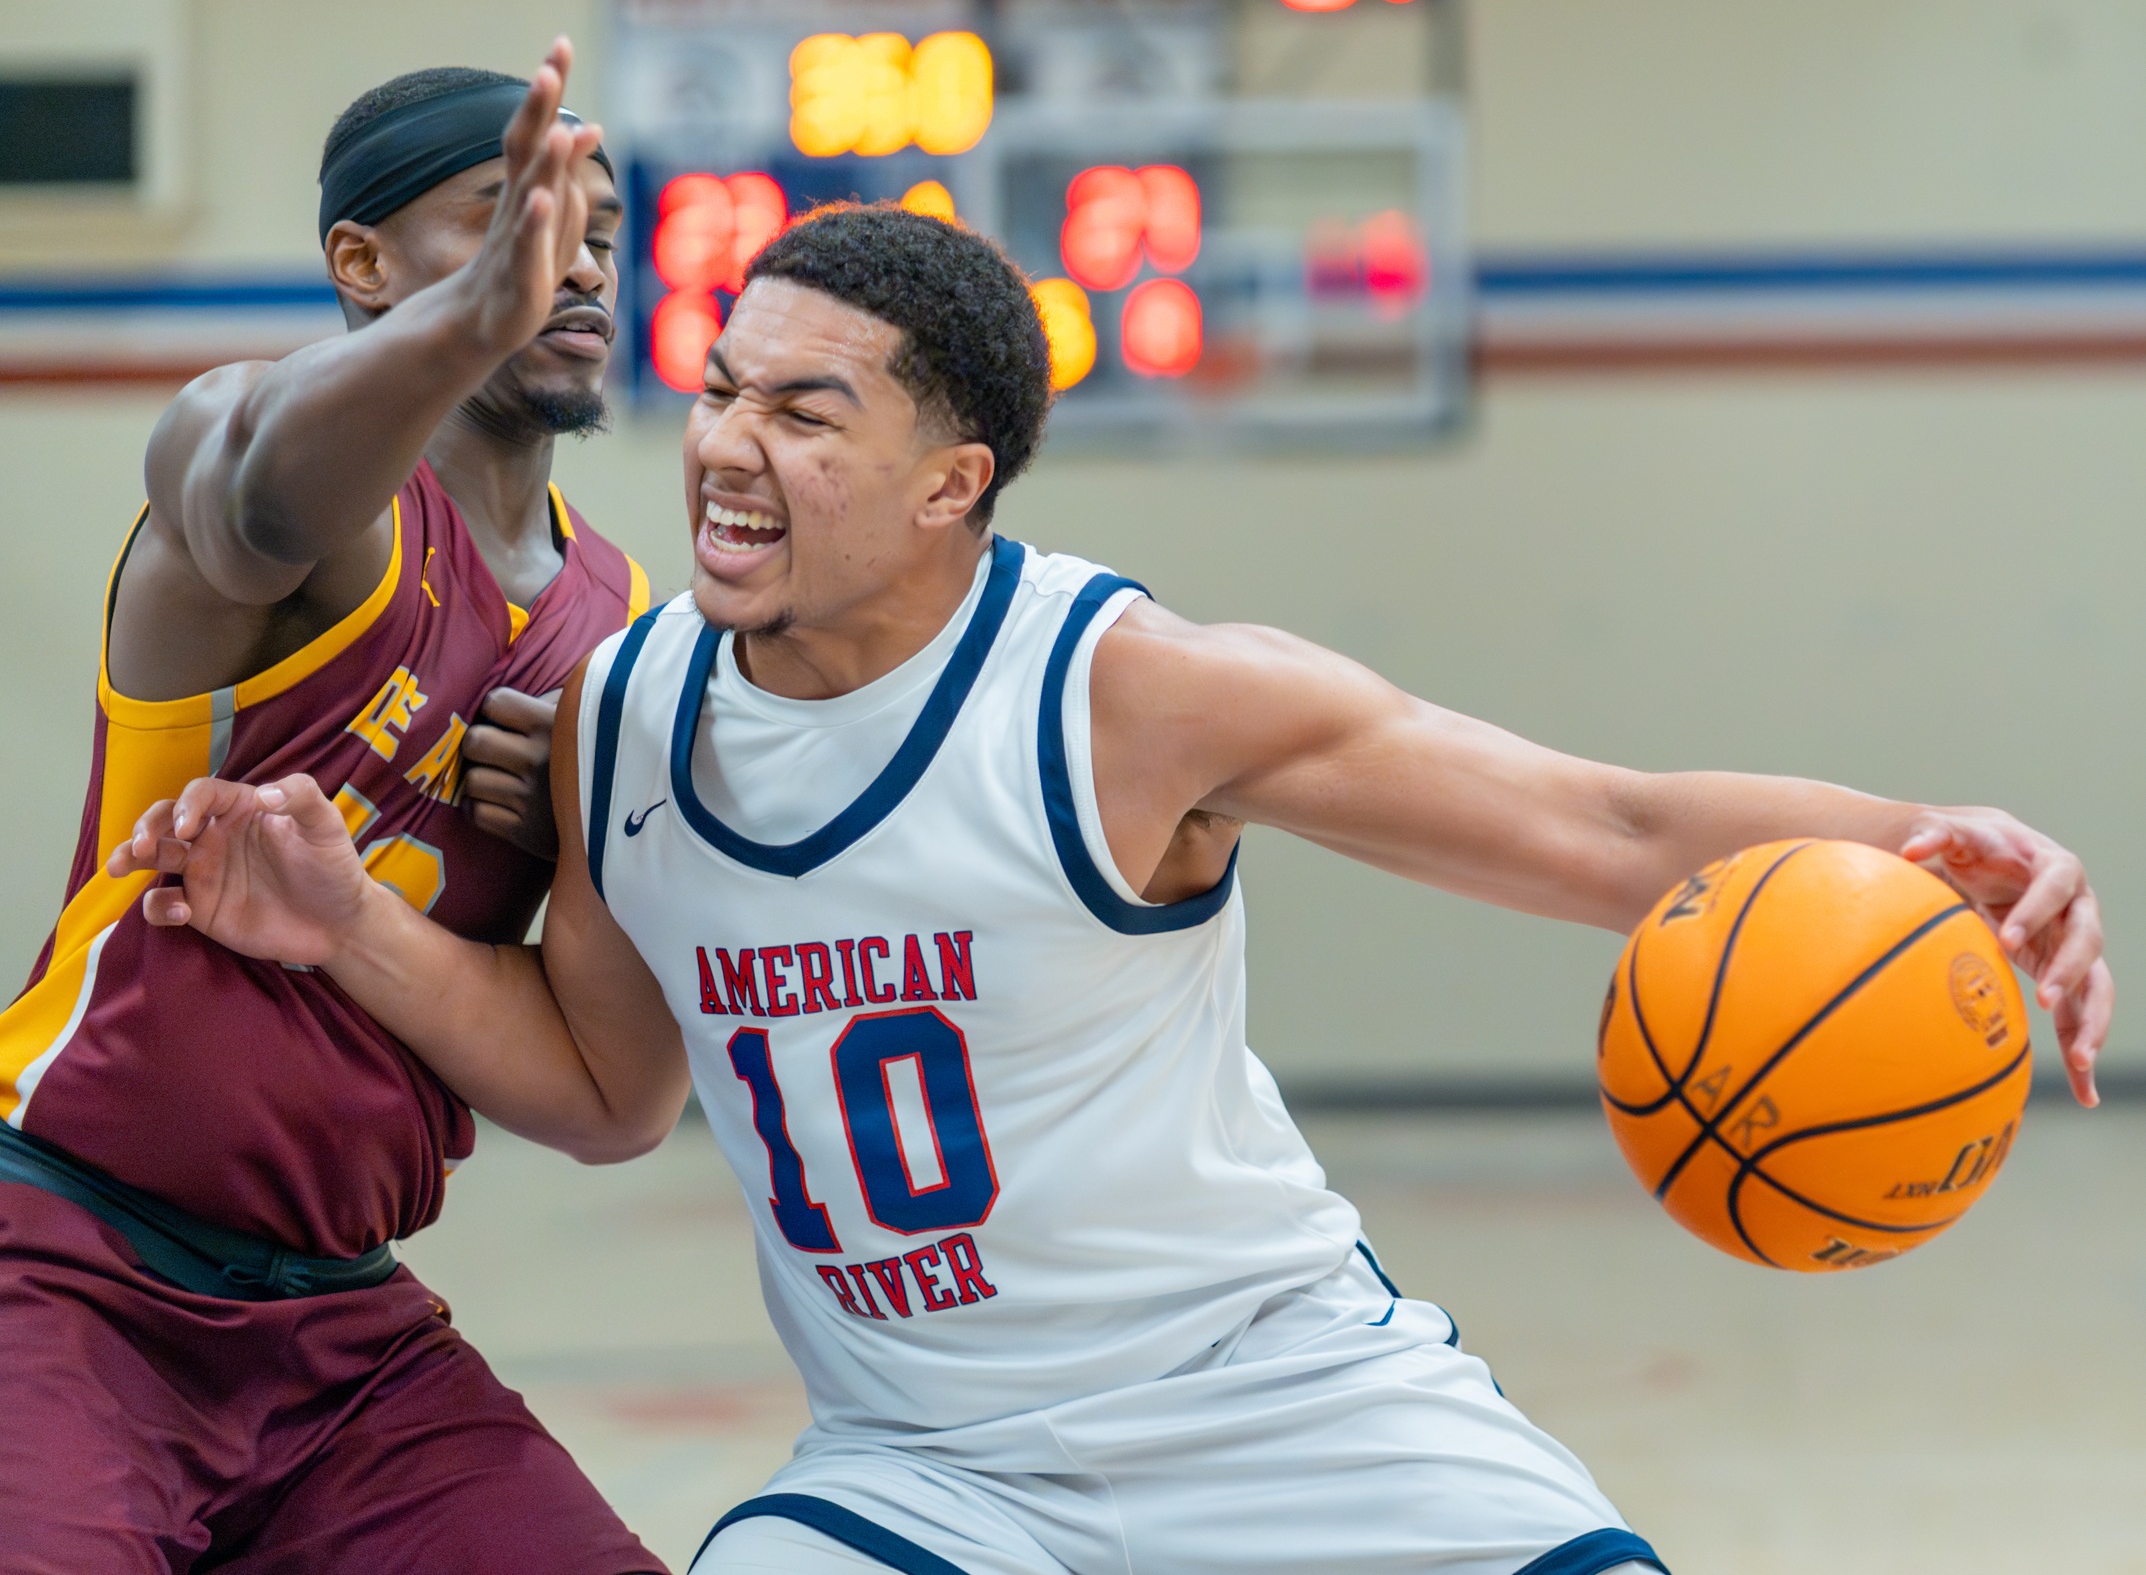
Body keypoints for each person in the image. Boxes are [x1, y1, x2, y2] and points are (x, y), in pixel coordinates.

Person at [115, 206, 2114, 1575]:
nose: (726, 444)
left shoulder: (1126, 696)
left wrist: (1925, 833)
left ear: (950, 481)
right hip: (924, 1473)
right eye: (723, 387)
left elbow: (1598, 828)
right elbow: (605, 1091)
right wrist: (349, 928)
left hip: (1280, 1403)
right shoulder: (628, 713)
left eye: (805, 411)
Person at [4, 41, 666, 1573]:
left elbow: (608, 1101)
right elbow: (251, 496)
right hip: (62, 1262)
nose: (576, 263)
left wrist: (579, 830)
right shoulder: (272, 464)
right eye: (515, 218)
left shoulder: (619, 626)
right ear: (362, 263)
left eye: (598, 234)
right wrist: (470, 324)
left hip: (339, 1331)